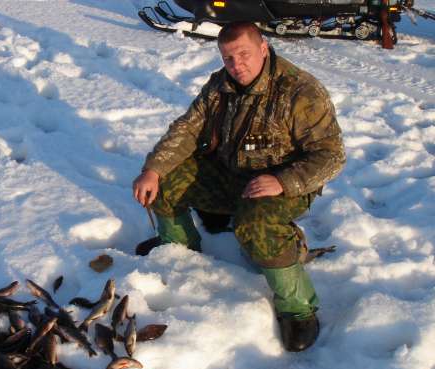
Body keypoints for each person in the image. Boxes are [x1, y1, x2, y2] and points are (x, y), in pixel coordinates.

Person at [132, 22, 345, 352]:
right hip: (232, 172)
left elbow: (331, 155)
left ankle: (298, 309)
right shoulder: (220, 84)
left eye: (244, 54)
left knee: (256, 224)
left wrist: (283, 181)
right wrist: (153, 170)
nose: (236, 65)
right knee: (167, 179)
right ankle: (178, 249)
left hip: (284, 183)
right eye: (228, 58)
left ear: (263, 48)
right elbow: (187, 129)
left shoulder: (300, 91)